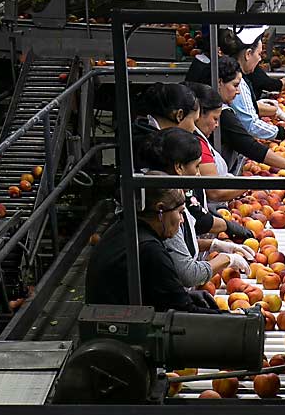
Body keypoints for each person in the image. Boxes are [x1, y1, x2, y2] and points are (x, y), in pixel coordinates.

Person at [85, 183, 218, 312]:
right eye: (180, 212)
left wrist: (187, 297)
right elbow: (186, 313)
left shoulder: (124, 229)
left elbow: (162, 293)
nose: (182, 220)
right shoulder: (150, 250)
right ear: (160, 209)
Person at [140, 133, 248, 289]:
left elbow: (177, 248)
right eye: (196, 166)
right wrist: (227, 259)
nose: (199, 173)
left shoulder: (175, 196)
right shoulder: (167, 209)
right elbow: (189, 275)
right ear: (179, 168)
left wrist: (214, 245)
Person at [216, 55, 285, 177]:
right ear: (219, 82)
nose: (238, 91)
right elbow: (248, 144)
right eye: (235, 85)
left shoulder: (219, 105)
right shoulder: (222, 114)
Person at [132, 82, 199, 164]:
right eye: (194, 122)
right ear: (179, 115)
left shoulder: (139, 132)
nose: (194, 129)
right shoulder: (157, 149)